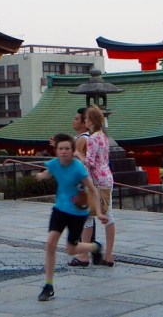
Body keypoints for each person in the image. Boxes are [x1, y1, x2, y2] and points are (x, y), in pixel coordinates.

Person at [34, 132, 109, 302]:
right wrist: (39, 176)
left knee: (71, 250)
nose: (64, 151)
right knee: (50, 243)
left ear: (72, 150)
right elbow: (48, 173)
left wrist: (98, 212)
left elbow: (93, 190)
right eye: (61, 148)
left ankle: (95, 248)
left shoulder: (77, 167)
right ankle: (48, 285)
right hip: (60, 209)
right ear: (57, 150)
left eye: (67, 148)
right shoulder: (54, 164)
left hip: (77, 212)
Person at [79, 106, 116, 266]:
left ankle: (83, 255)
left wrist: (78, 154)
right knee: (108, 216)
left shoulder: (93, 138)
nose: (85, 121)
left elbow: (90, 163)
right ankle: (108, 255)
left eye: (86, 118)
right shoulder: (104, 137)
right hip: (107, 178)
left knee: (87, 217)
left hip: (96, 181)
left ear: (92, 121)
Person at [69, 107, 94, 267]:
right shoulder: (91, 138)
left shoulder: (81, 139)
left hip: (81, 182)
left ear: (84, 123)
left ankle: (83, 254)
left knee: (84, 219)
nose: (73, 120)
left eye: (77, 119)